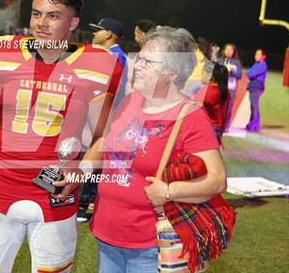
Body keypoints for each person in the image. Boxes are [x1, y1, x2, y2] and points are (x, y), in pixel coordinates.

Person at [0, 0, 122, 273]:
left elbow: (105, 136)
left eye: (53, 15)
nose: (41, 23)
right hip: (0, 191)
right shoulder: (2, 53)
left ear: (73, 23)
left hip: (56, 195)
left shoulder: (97, 64)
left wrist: (83, 170)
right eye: (36, 13)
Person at [66, 26, 227, 272]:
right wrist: (82, 170)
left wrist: (170, 191)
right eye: (138, 59)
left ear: (172, 72)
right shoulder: (132, 101)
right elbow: (105, 141)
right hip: (107, 234)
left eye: (147, 62)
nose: (137, 66)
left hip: (150, 245)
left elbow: (217, 180)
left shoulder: (191, 117)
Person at [75, 18, 128, 223]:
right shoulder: (109, 55)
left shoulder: (116, 57)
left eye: (98, 31)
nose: (94, 34)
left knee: (95, 158)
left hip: (102, 116)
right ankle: (83, 201)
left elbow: (110, 92)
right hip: (94, 115)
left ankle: (84, 204)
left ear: (108, 34)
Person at [194, 62, 230, 144]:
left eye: (202, 72)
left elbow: (195, 116)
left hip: (207, 131)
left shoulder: (206, 92)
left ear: (209, 75)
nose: (201, 75)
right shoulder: (224, 91)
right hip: (217, 130)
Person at [218, 43, 242, 132]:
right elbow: (215, 74)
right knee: (219, 106)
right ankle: (218, 124)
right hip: (221, 87)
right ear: (224, 51)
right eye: (226, 49)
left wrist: (233, 70)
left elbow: (239, 75)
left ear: (234, 51)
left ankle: (226, 126)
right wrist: (223, 70)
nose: (228, 51)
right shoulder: (220, 61)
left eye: (230, 50)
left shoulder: (236, 62)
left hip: (231, 88)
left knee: (228, 107)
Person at [245, 48, 268, 132]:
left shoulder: (263, 64)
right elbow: (249, 72)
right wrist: (251, 74)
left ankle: (254, 126)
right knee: (253, 106)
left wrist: (251, 74)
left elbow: (251, 73)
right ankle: (252, 124)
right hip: (253, 86)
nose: (256, 56)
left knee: (254, 107)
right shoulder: (256, 63)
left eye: (258, 54)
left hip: (257, 87)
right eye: (255, 54)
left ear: (263, 56)